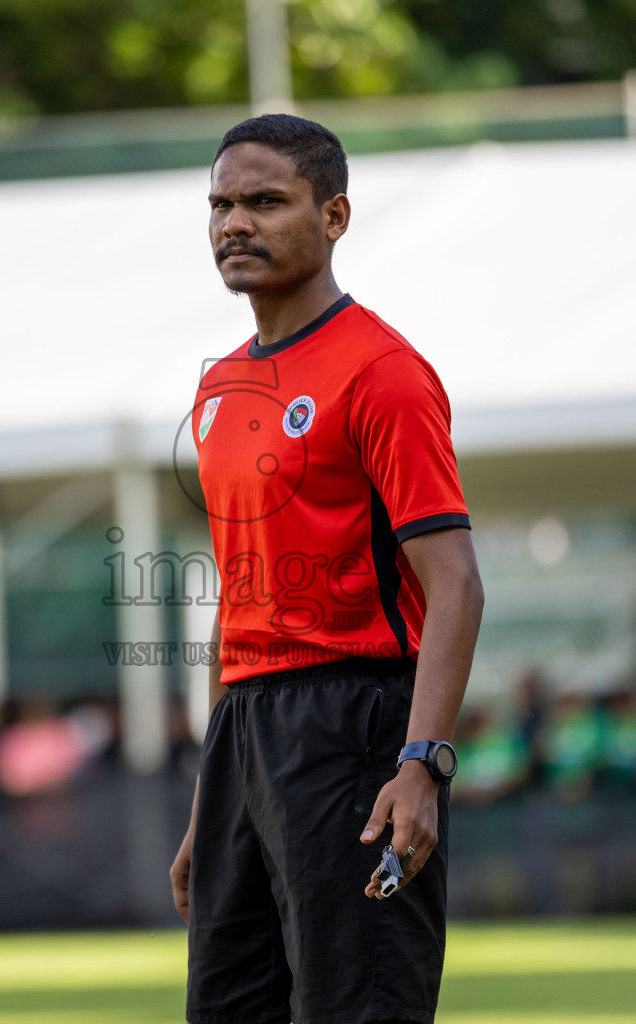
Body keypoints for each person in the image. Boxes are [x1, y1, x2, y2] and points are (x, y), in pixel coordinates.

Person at [170, 114, 484, 1024]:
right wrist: (216, 794)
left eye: (266, 202)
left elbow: (454, 580)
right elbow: (244, 604)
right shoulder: (219, 385)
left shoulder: (383, 373)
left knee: (356, 1006)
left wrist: (421, 763)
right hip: (247, 733)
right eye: (222, 204)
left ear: (335, 215)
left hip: (357, 727)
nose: (236, 224)